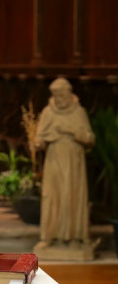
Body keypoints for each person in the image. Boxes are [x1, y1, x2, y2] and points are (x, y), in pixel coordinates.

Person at [34, 77, 95, 250]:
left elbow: (90, 139)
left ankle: (74, 237)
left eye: (62, 95)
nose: (60, 99)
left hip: (75, 163)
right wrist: (39, 142)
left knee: (73, 197)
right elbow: (39, 137)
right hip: (54, 160)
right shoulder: (48, 112)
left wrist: (73, 131)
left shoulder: (79, 112)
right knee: (52, 196)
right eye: (57, 96)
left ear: (69, 94)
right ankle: (49, 236)